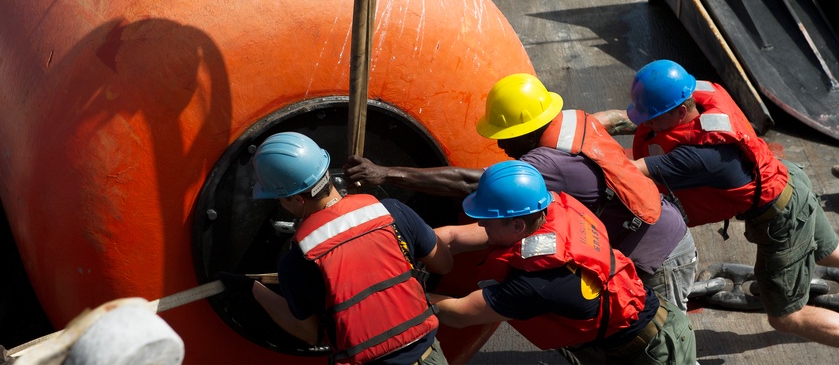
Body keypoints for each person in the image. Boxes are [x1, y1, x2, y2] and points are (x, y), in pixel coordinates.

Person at [627, 59, 839, 365]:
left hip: (780, 218)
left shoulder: (700, 157)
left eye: (652, 118)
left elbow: (628, 170)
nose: (646, 125)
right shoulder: (701, 96)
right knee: (833, 250)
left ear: (681, 111)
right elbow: (641, 120)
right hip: (788, 180)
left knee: (788, 316)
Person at [345, 73, 699, 310]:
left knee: (661, 347)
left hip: (660, 254)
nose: (499, 144)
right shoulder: (573, 119)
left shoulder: (547, 164)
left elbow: (474, 182)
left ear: (528, 129)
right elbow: (610, 120)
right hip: (652, 229)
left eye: (505, 135)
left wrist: (386, 173)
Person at [430, 160, 696, 364]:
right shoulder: (545, 213)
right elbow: (454, 238)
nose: (481, 224)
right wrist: (406, 241)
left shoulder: (539, 282)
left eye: (487, 218)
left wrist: (401, 291)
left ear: (517, 224)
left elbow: (460, 314)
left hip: (654, 350)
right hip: (633, 332)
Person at [227, 132, 453, 365]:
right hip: (429, 358)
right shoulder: (393, 211)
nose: (281, 205)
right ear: (325, 171)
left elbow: (311, 334)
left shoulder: (296, 261)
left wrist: (254, 290)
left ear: (297, 200)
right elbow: (444, 264)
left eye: (280, 199)